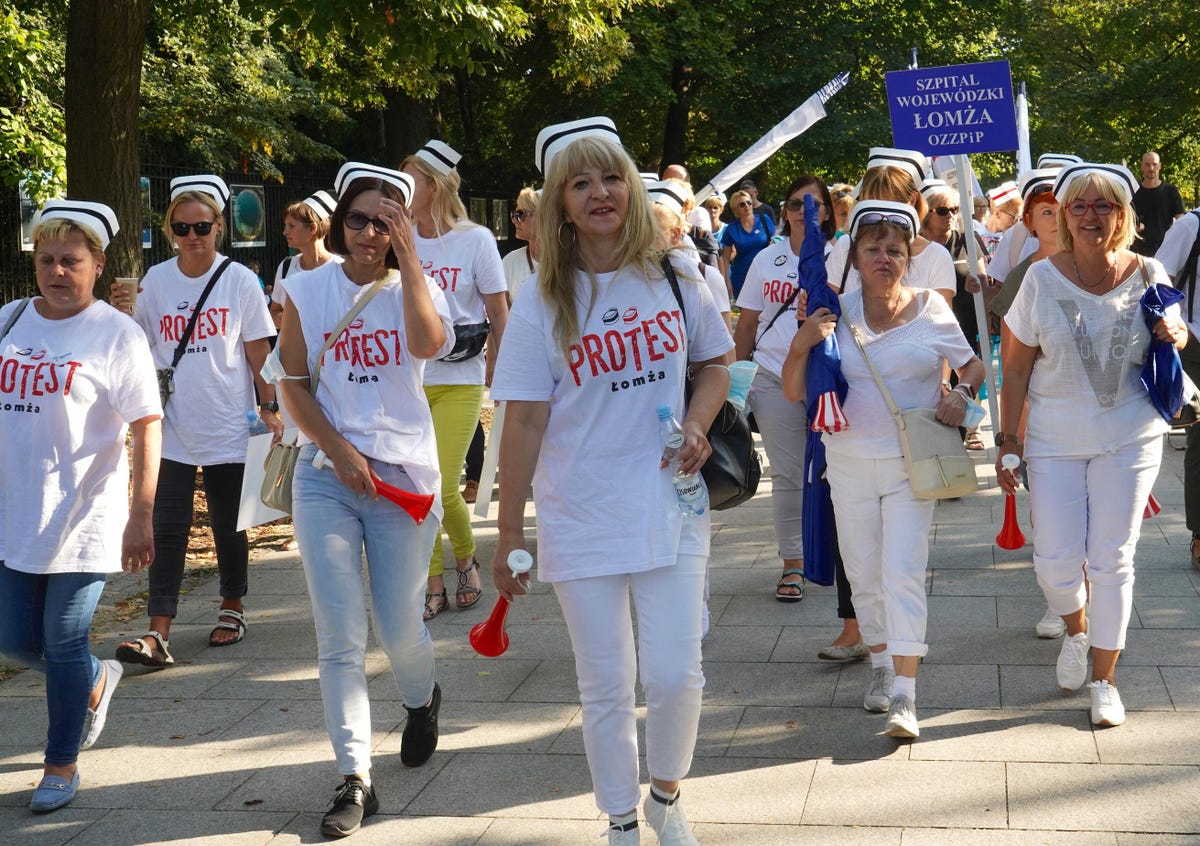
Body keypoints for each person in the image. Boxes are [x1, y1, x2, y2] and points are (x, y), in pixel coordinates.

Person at [490, 116, 733, 845]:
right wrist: (508, 535)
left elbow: (717, 363)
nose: (600, 193)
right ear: (558, 203)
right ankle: (621, 819)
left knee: (675, 677)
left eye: (611, 177)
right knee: (604, 685)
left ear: (631, 185)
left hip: (671, 502)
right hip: (580, 511)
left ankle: (665, 795)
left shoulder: (673, 273)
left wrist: (697, 421)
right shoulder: (539, 301)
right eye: (580, 182)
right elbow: (523, 422)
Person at [276, 161, 453, 838]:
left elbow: (428, 344)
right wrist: (340, 451)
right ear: (338, 220)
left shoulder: (414, 283)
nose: (370, 233)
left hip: (403, 479)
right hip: (327, 473)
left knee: (399, 624)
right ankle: (356, 777)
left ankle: (421, 697)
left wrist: (409, 265)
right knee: (339, 636)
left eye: (386, 222)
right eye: (359, 219)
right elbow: (292, 381)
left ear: (402, 227)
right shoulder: (308, 287)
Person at [782, 200, 984, 739]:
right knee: (865, 578)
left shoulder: (931, 310)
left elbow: (973, 364)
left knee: (902, 571)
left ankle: (904, 693)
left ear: (909, 257)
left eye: (895, 249)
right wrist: (803, 340)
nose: (884, 258)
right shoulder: (834, 310)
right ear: (855, 253)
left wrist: (961, 393)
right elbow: (793, 390)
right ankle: (878, 663)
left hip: (909, 468)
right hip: (845, 467)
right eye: (872, 248)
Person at [996, 163, 1186, 727]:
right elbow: (1014, 371)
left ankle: (1105, 680)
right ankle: (1076, 631)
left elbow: (1176, 328)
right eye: (1079, 206)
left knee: (1112, 559)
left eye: (1103, 206)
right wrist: (1009, 440)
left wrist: (1174, 332)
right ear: (1062, 215)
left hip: (1130, 435)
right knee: (1055, 562)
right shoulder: (1039, 278)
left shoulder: (1149, 270)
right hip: (1053, 438)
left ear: (1123, 216)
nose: (1089, 216)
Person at [0, 201, 161, 812]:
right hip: (15, 511)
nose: (58, 272)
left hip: (84, 514)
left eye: (72, 261)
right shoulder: (10, 321)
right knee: (15, 641)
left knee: (63, 641)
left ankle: (60, 763)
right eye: (47, 260)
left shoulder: (116, 334)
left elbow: (149, 425)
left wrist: (140, 514)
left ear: (97, 265)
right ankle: (94, 678)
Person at [113, 175, 282, 668]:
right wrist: (121, 315)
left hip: (228, 420)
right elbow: (137, 349)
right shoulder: (155, 282)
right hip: (170, 425)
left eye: (202, 226)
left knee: (231, 525)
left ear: (219, 227)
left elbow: (258, 352)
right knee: (168, 528)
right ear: (170, 230)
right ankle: (157, 631)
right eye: (183, 228)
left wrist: (269, 408)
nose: (193, 236)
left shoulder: (239, 281)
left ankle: (232, 605)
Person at [400, 140, 509, 620]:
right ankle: (432, 579)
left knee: (443, 483)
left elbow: (497, 310)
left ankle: (465, 558)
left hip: (461, 377)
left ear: (436, 184)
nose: (401, 190)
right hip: (407, 379)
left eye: (411, 180)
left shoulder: (476, 239)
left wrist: (500, 368)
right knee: (415, 486)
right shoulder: (397, 239)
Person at [734, 175, 835, 602]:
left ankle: (840, 555)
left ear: (827, 210)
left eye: (812, 203)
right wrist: (735, 383)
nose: (803, 210)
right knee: (790, 473)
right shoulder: (766, 259)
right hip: (774, 376)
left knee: (838, 470)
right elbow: (747, 323)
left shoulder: (843, 255)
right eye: (795, 203)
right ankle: (793, 562)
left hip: (829, 377)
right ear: (785, 209)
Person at [987, 168, 1068, 640]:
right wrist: (1009, 434)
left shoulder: (1098, 266)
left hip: (1090, 413)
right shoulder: (1025, 275)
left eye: (1062, 210)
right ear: (1030, 222)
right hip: (1039, 410)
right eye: (1045, 212)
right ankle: (1059, 600)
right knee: (1049, 509)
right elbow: (1012, 364)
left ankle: (1086, 595)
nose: (1056, 220)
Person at [826, 148, 955, 307]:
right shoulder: (846, 246)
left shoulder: (936, 256)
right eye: (873, 204)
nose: (883, 216)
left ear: (913, 200)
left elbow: (942, 323)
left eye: (892, 204)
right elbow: (826, 308)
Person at [919, 180, 988, 450]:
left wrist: (977, 282)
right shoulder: (916, 245)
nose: (951, 216)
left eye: (955, 209)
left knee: (960, 391)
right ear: (926, 212)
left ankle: (959, 444)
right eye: (943, 210)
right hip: (924, 333)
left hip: (962, 332)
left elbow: (984, 281)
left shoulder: (967, 239)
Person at [1155, 206, 1200, 571]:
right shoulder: (1190, 226)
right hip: (1195, 340)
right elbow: (1158, 282)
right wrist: (1173, 329)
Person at [649, 180, 732, 334]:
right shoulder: (622, 279)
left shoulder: (706, 276)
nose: (641, 239)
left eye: (651, 232)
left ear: (674, 234)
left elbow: (725, 352)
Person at [269, 190, 339, 330]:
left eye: (292, 226)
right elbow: (274, 312)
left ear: (312, 228)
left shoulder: (340, 268)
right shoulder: (286, 266)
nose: (285, 232)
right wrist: (284, 318)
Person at [719, 189, 775, 300]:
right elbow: (725, 257)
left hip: (766, 274)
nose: (746, 206)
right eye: (742, 204)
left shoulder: (764, 220)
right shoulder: (732, 228)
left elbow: (776, 241)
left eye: (749, 202)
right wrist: (727, 281)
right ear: (736, 209)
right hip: (742, 278)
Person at [1132, 151, 1185, 257]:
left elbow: (1181, 220)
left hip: (1165, 250)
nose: (1151, 168)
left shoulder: (1170, 191)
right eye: (1147, 164)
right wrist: (1132, 228)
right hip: (1137, 251)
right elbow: (1123, 219)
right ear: (1141, 167)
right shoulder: (1133, 191)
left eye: (1154, 164)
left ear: (1160, 166)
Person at [501, 186, 540, 301]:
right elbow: (504, 315)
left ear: (543, 216)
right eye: (514, 215)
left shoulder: (568, 262)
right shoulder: (510, 261)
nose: (514, 220)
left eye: (520, 215)